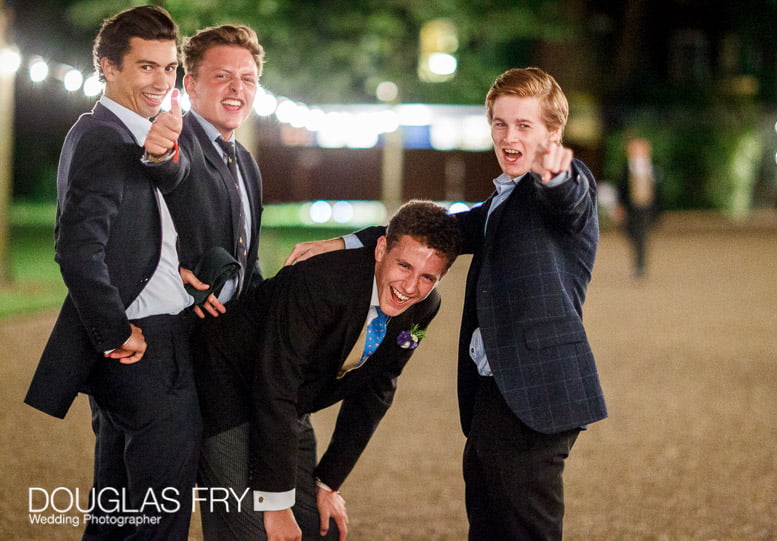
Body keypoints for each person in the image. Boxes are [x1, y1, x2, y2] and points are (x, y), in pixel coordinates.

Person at [286, 67, 607, 540]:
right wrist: (344, 243)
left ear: (552, 134)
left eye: (524, 126)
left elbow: (571, 200)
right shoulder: (504, 201)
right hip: (494, 394)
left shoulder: (556, 185)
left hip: (536, 393)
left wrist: (557, 176)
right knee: (488, 520)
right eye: (500, 123)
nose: (508, 136)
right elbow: (435, 232)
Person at [23, 6, 201, 539]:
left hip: (149, 339)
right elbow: (77, 249)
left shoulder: (134, 132)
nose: (161, 80)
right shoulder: (104, 136)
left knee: (117, 515)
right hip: (144, 348)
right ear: (108, 67)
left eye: (169, 69)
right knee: (159, 521)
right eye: (146, 67)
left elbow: (156, 216)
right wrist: (116, 331)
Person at [193, 201, 462, 541]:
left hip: (291, 402)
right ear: (380, 249)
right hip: (228, 390)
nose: (410, 286)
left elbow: (379, 386)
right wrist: (275, 503)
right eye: (404, 266)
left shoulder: (424, 309)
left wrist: (328, 482)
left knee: (323, 529)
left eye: (427, 277)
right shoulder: (319, 282)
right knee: (258, 534)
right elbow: (276, 383)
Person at [164, 25, 265, 318]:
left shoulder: (247, 162)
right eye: (222, 76)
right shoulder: (173, 144)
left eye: (248, 79)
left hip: (229, 334)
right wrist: (170, 275)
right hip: (177, 328)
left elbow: (246, 253)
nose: (237, 88)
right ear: (192, 86)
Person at [615, 136, 661, 280]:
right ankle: (639, 263)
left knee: (642, 236)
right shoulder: (625, 169)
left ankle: (640, 266)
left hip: (646, 208)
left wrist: (658, 209)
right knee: (631, 234)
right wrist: (620, 207)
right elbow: (621, 189)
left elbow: (658, 191)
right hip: (631, 208)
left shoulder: (652, 167)